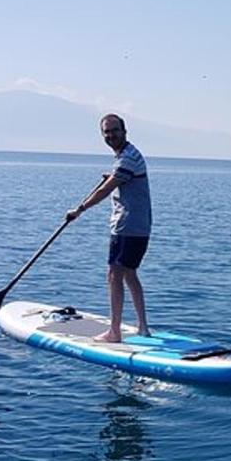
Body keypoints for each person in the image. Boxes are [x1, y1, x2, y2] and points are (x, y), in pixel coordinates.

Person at [66, 113, 152, 342]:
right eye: (107, 132)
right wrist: (113, 176)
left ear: (125, 131)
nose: (111, 135)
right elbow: (122, 178)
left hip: (127, 226)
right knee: (129, 273)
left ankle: (114, 332)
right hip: (137, 227)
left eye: (115, 130)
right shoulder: (127, 156)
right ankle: (143, 327)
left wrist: (79, 209)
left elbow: (105, 191)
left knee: (114, 274)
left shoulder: (127, 159)